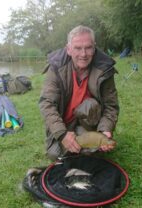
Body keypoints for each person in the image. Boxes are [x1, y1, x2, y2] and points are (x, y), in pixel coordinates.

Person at [39, 25, 119, 161]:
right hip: (64, 122)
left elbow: (111, 106)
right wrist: (62, 134)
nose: (83, 54)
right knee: (55, 155)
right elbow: (47, 103)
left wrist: (104, 131)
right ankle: (70, 140)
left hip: (88, 121)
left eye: (88, 47)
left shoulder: (104, 69)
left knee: (90, 106)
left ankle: (92, 138)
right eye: (77, 48)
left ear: (94, 47)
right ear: (68, 49)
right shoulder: (56, 67)